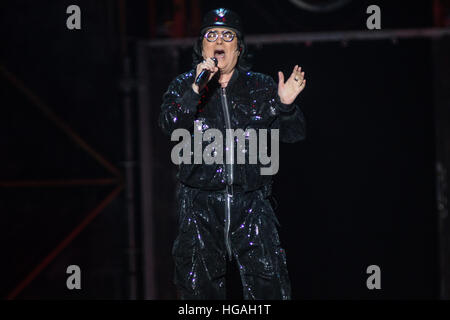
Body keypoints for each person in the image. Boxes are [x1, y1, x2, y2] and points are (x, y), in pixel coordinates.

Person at [158, 8, 306, 300]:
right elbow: (169, 125)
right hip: (200, 205)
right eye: (211, 35)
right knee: (198, 290)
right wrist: (195, 89)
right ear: (201, 45)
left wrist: (285, 105)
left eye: (228, 35)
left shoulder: (261, 86)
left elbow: (295, 134)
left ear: (239, 47)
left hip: (252, 203)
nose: (219, 41)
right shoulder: (182, 86)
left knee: (269, 286)